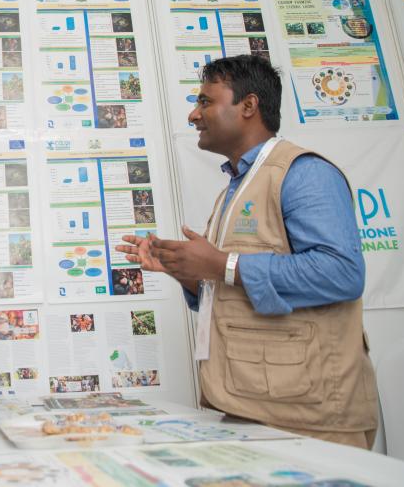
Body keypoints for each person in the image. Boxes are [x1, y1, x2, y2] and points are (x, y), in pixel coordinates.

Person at [117, 54, 377, 448]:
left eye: (205, 101)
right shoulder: (236, 188)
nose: (193, 115)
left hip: (311, 418)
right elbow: (233, 288)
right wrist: (185, 269)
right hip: (252, 408)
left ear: (249, 105)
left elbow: (342, 274)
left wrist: (221, 263)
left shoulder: (304, 173)